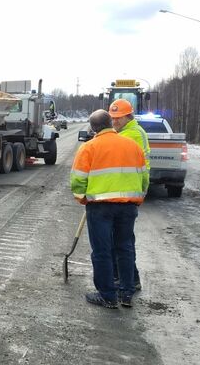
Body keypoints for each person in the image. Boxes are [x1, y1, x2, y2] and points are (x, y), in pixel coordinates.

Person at [71, 109, 148, 309]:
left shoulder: (89, 147)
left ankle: (107, 296)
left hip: (100, 208)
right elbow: (144, 176)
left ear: (93, 128)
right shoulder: (133, 146)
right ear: (111, 123)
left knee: (102, 251)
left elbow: (78, 180)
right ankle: (126, 294)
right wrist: (138, 198)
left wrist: (83, 198)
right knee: (125, 248)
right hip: (128, 206)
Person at [109, 98, 150, 291]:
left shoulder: (132, 134)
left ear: (128, 116)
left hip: (126, 193)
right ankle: (130, 279)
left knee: (122, 243)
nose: (115, 121)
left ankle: (127, 281)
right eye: (113, 117)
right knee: (123, 241)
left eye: (119, 118)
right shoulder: (126, 131)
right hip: (125, 191)